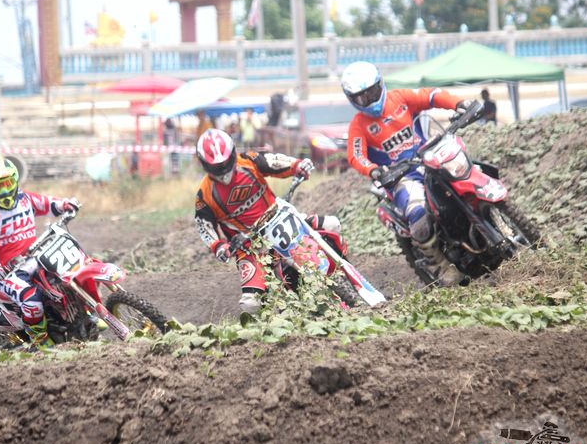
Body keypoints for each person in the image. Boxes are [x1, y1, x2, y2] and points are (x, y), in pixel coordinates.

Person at [341, 61, 474, 286]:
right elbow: (355, 155)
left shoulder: (400, 98)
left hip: (430, 157)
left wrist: (459, 103)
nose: (368, 100)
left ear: (380, 84)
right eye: (361, 98)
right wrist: (373, 170)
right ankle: (439, 265)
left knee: (468, 171)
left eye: (371, 92)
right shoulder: (359, 125)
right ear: (352, 100)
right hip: (400, 177)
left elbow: (431, 95)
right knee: (418, 213)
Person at [194, 129, 338, 314]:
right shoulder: (204, 195)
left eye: (225, 162)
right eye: (216, 166)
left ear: (233, 153)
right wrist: (219, 246)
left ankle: (340, 276)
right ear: (204, 163)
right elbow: (204, 226)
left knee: (332, 225)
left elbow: (274, 161)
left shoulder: (248, 161)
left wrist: (297, 165)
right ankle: (272, 322)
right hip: (249, 246)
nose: (222, 168)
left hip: (282, 220)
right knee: (251, 305)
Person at [0, 155, 80, 347]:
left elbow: (48, 204)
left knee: (69, 272)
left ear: (15, 180)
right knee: (32, 299)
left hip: (35, 257)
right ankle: (39, 340)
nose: (3, 190)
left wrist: (65, 204)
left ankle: (84, 316)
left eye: (6, 183)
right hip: (6, 271)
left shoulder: (25, 198)